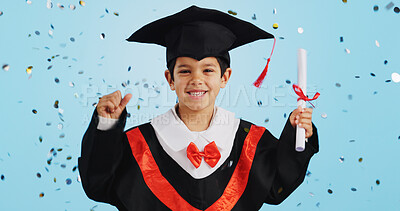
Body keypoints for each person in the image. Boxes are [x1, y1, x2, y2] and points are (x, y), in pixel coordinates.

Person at [78, 5, 319, 211]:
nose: (196, 79)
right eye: (184, 70)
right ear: (170, 79)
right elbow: (98, 184)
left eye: (208, 70)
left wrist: (298, 135)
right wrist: (106, 125)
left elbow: (277, 185)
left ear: (225, 77)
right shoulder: (139, 145)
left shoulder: (248, 142)